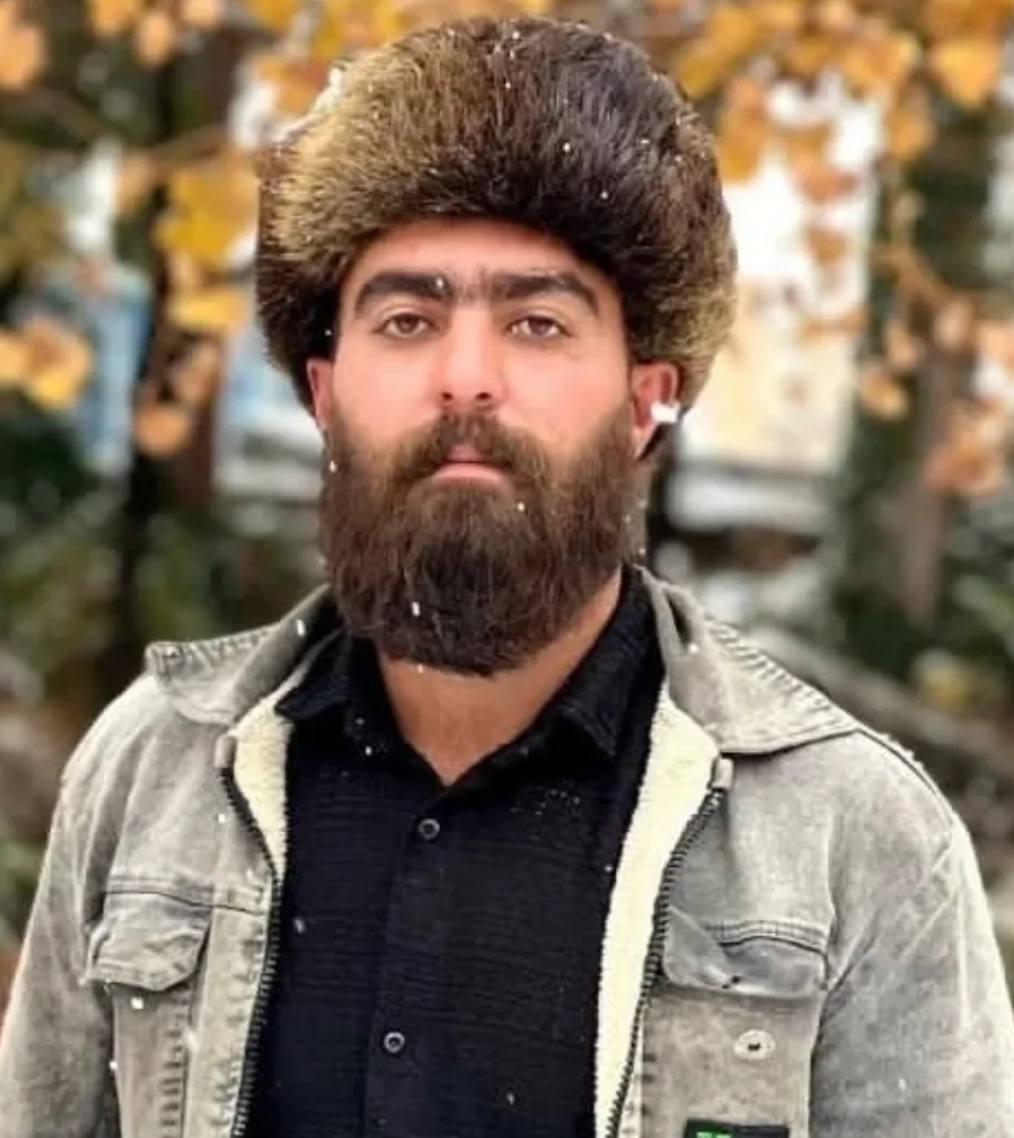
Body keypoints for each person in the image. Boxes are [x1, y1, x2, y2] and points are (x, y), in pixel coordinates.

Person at [2, 15, 1013, 1138]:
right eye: (408, 319)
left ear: (644, 401)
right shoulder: (152, 773)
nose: (468, 377)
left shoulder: (852, 838)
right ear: (325, 394)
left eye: (537, 323)